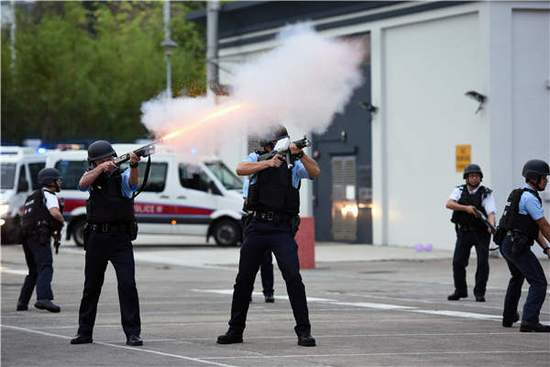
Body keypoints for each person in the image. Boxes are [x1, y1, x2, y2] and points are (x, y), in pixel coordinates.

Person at [217, 125, 320, 347]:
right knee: (243, 280)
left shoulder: (293, 163)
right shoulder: (257, 158)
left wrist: (300, 153)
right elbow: (240, 168)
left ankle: (304, 331)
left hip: (281, 228)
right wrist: (268, 162)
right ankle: (235, 330)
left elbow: (315, 172)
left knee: (293, 277)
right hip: (256, 225)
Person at [70, 140, 143, 346]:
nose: (109, 162)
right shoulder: (92, 176)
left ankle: (133, 333)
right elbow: (82, 184)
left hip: (120, 238)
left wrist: (135, 165)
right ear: (94, 163)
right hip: (96, 238)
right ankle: (84, 332)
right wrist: (101, 168)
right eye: (102, 160)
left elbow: (133, 185)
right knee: (91, 287)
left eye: (110, 158)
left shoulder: (122, 174)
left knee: (128, 285)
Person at [497, 159, 550, 332]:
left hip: (507, 243)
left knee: (517, 277)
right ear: (534, 178)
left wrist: (546, 248)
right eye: (544, 177)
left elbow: (532, 229)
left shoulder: (519, 194)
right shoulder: (530, 198)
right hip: (517, 246)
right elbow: (543, 226)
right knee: (539, 282)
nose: (547, 181)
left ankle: (509, 316)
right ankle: (529, 321)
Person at [445, 164, 496, 302]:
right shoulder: (459, 190)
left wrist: (492, 226)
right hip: (464, 232)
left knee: (482, 263)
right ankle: (460, 290)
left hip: (481, 233)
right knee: (458, 262)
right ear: (466, 178)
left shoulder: (486, 193)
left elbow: (491, 212)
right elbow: (449, 204)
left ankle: (480, 292)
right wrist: (466, 208)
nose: (474, 178)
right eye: (471, 176)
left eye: (477, 176)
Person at [17, 168, 64, 313]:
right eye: (57, 179)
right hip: (39, 236)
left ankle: (22, 303)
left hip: (27, 237)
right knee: (45, 266)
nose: (59, 182)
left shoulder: (32, 196)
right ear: (51, 182)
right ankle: (43, 298)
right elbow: (54, 213)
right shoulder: (49, 195)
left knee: (33, 270)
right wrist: (62, 222)